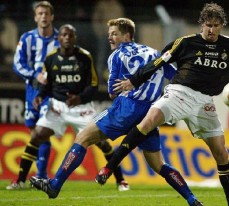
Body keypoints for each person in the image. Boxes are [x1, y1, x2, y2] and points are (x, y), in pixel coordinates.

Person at [93, 3, 229, 206]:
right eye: (208, 25)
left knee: (221, 152)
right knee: (148, 121)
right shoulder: (185, 43)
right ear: (201, 25)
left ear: (221, 25)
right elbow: (157, 63)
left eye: (216, 25)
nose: (212, 30)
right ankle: (109, 168)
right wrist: (133, 81)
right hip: (180, 93)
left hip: (205, 101)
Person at [30, 18, 202, 206]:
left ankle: (55, 184)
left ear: (127, 35)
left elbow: (112, 92)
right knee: (158, 165)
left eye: (114, 34)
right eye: (109, 33)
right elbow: (175, 77)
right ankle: (191, 199)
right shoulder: (154, 53)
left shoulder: (117, 56)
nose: (109, 37)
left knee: (83, 138)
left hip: (126, 109)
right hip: (150, 114)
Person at [7, 1, 129, 192]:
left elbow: (94, 84)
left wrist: (80, 98)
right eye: (63, 35)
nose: (66, 38)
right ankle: (20, 180)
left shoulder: (84, 57)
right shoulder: (51, 58)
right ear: (60, 38)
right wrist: (40, 96)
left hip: (81, 108)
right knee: (37, 136)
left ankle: (120, 180)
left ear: (74, 38)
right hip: (57, 107)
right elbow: (47, 84)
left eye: (70, 35)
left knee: (101, 142)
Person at [7, 1, 59, 190]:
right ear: (36, 17)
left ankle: (40, 176)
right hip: (32, 92)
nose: (44, 16)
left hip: (52, 93)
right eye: (40, 13)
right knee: (34, 133)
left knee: (41, 132)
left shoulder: (61, 38)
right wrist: (34, 74)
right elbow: (17, 64)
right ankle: (38, 176)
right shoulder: (27, 38)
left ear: (52, 16)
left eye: (47, 13)